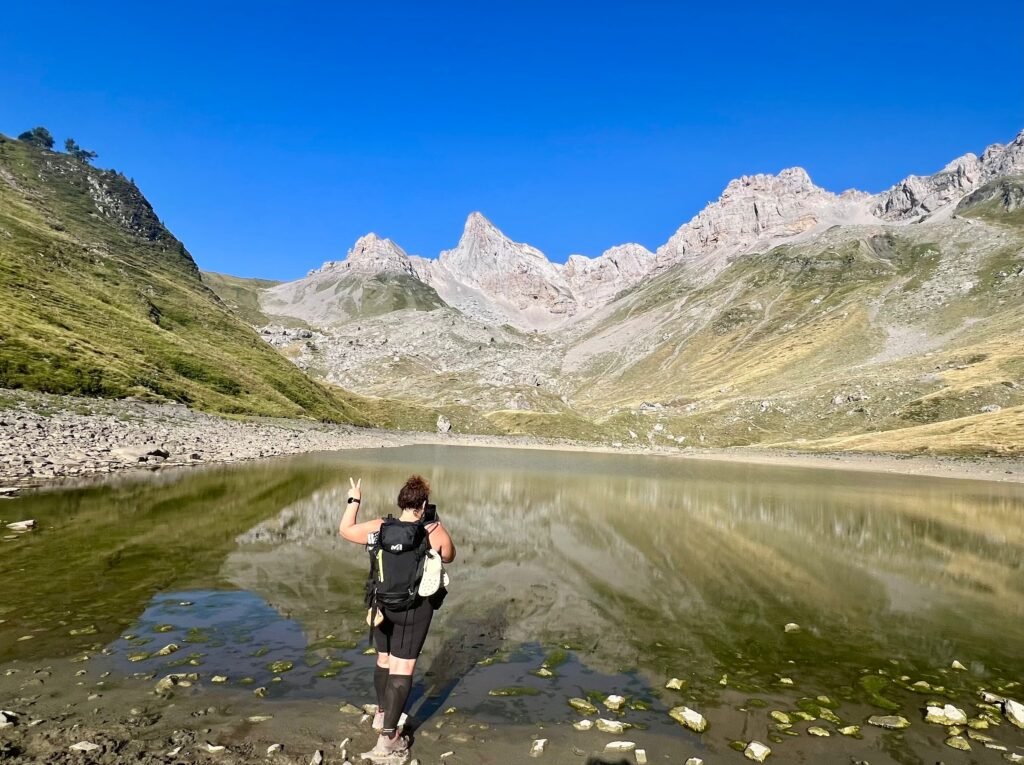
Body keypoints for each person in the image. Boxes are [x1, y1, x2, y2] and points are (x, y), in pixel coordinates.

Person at [339, 474, 456, 760]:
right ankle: (388, 739)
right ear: (424, 503)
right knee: (402, 670)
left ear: (401, 502)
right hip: (414, 611)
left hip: (381, 606)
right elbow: (450, 556)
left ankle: (381, 715)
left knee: (383, 660)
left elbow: (345, 530)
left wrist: (355, 499)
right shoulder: (432, 530)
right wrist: (435, 527)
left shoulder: (380, 527)